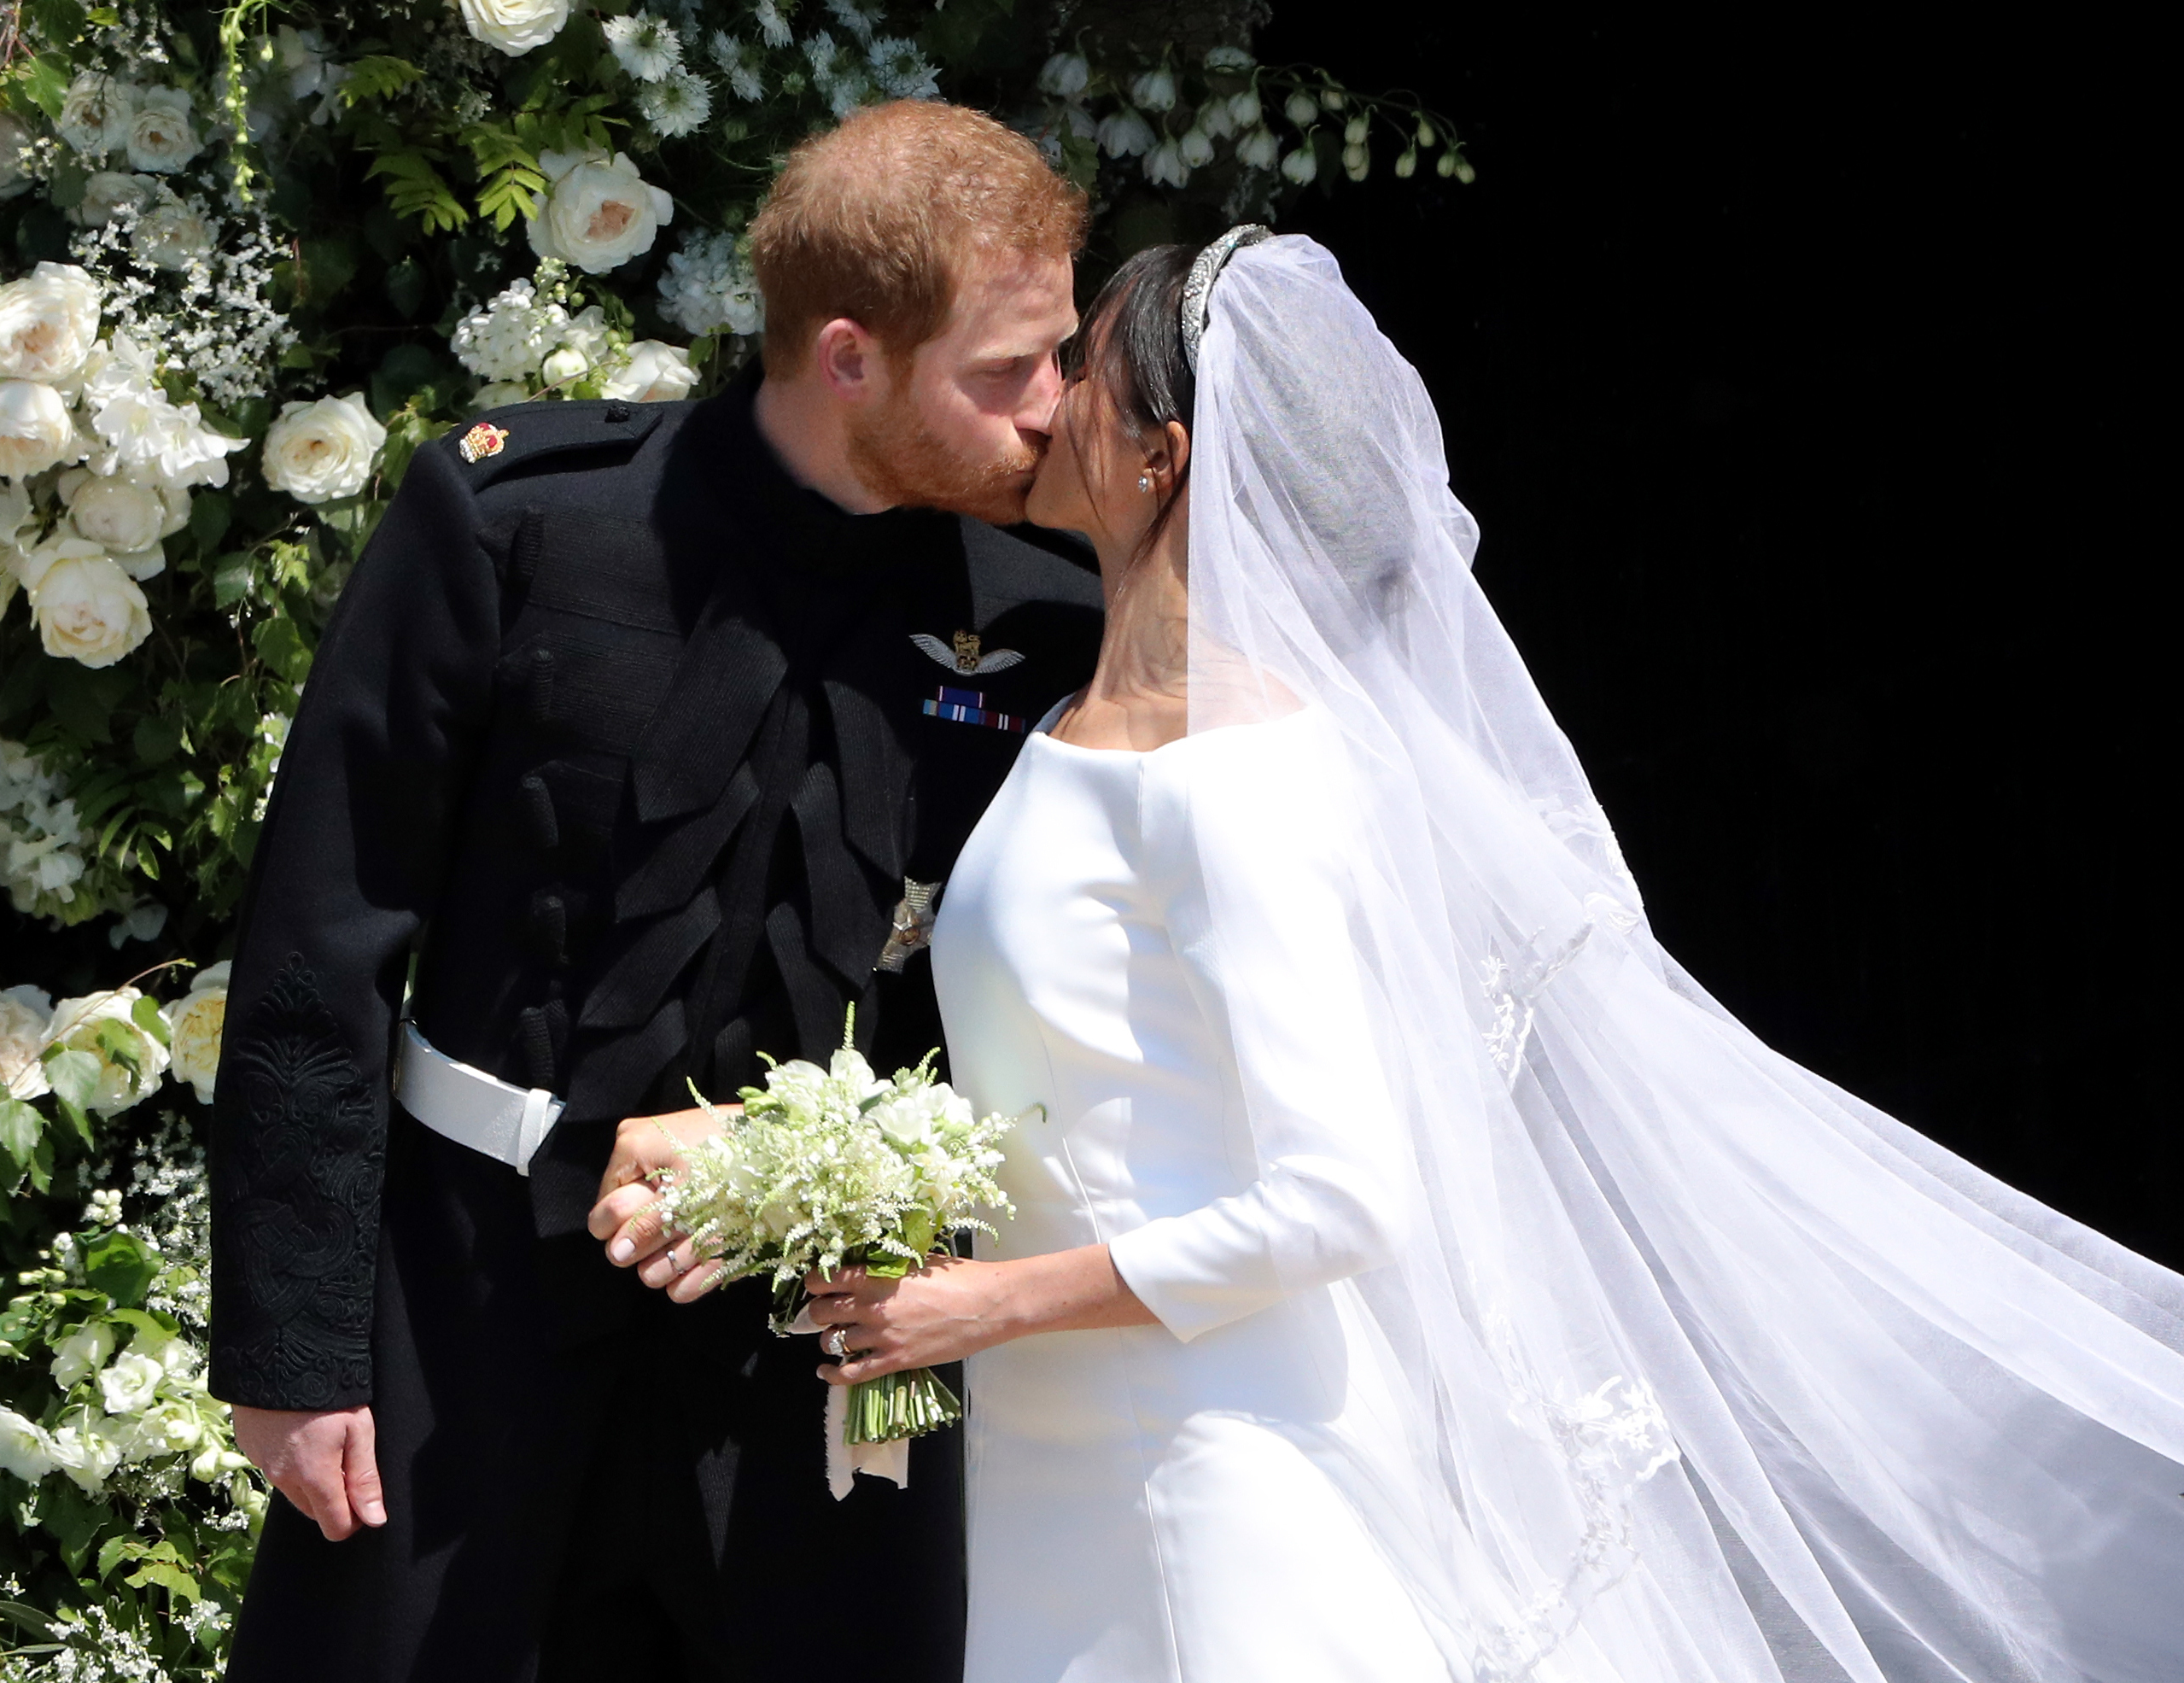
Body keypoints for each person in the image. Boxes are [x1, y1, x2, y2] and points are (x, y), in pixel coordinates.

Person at [794, 232, 2184, 1681]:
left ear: (1163, 453)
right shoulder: (1087, 729)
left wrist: (988, 1302)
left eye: (1079, 366)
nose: (1045, 393)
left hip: (1221, 1471)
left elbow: (1336, 1198)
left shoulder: (1237, 767)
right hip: (1066, 1464)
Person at [206, 102, 1101, 1682]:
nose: (1053, 411)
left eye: (1060, 354)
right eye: (1001, 373)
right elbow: (319, 946)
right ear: (846, 356)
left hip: (834, 1344)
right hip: (469, 1308)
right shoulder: (522, 524)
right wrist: (290, 1348)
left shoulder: (1045, 620)